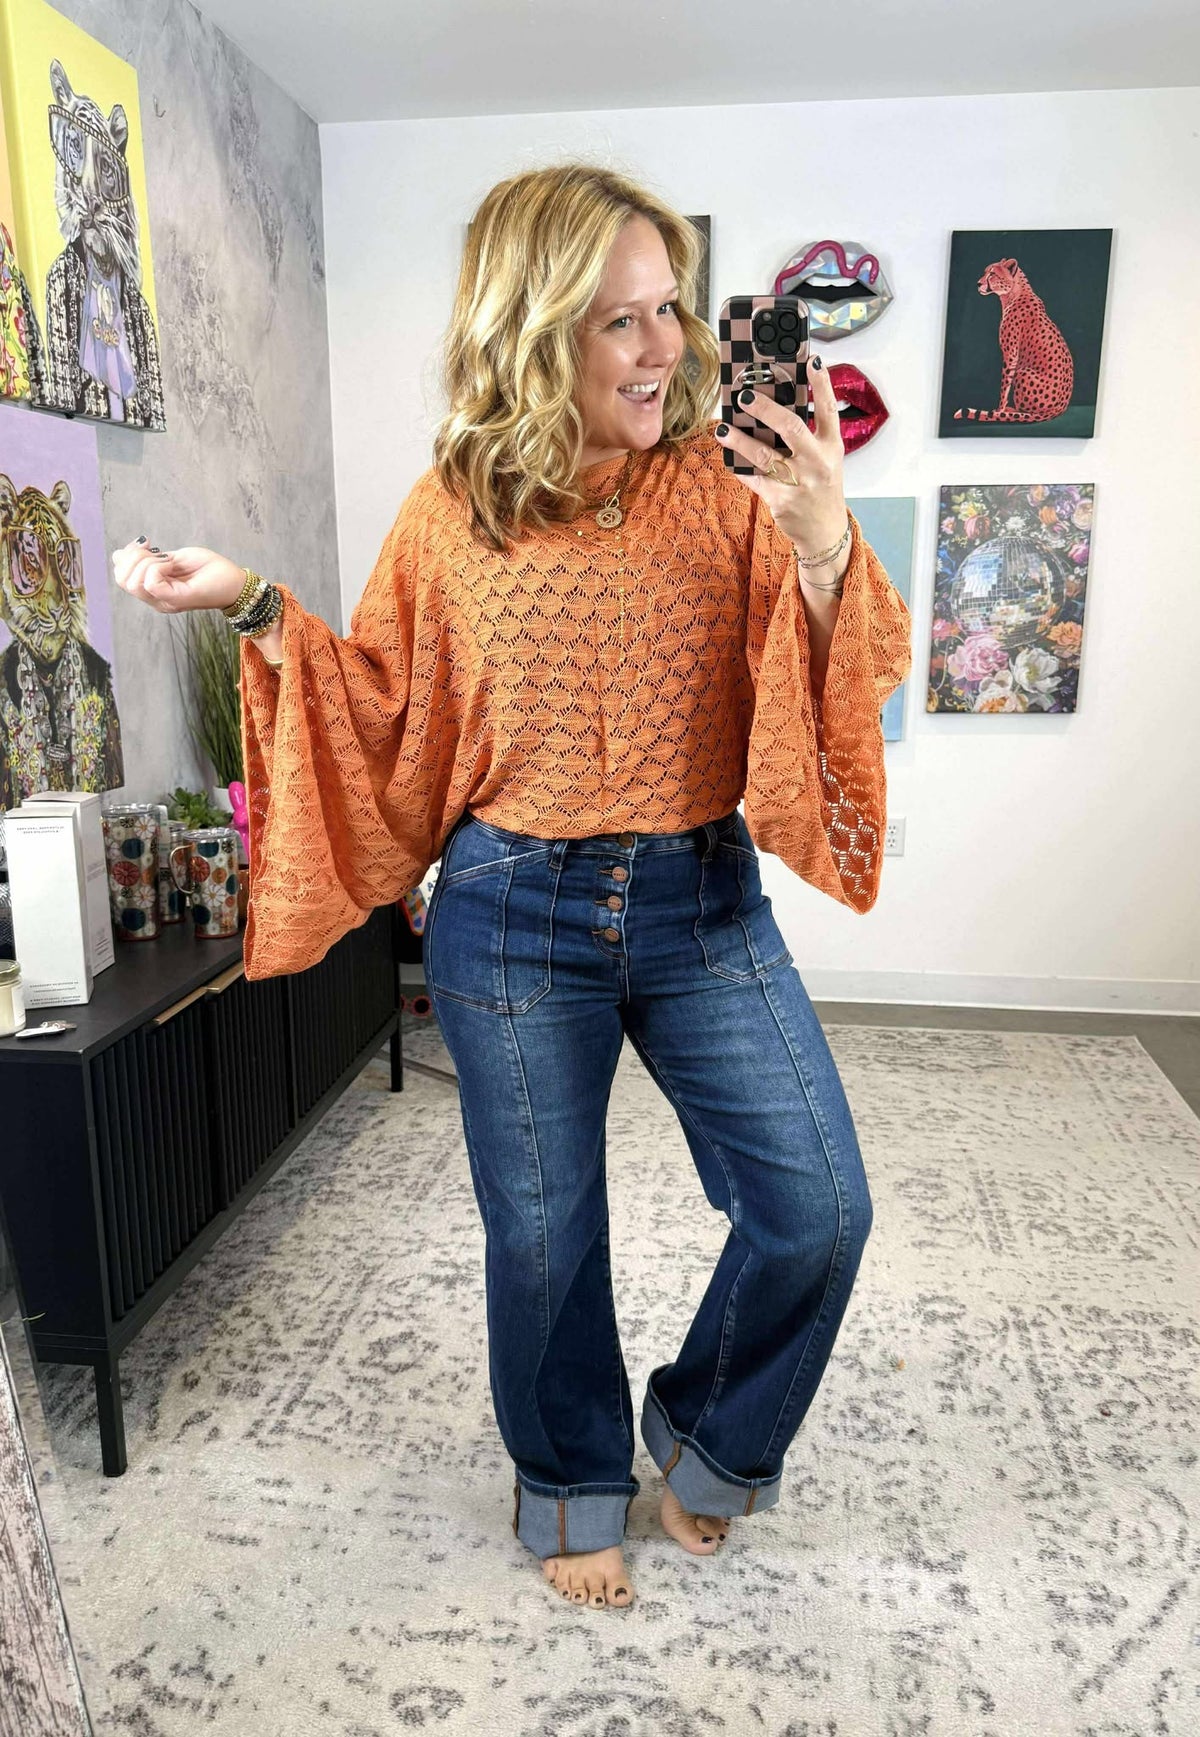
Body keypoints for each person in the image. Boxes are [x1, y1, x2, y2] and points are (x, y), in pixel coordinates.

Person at [111, 163, 912, 1613]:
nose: (665, 348)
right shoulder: (450, 514)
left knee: (820, 1201)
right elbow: (381, 701)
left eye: (672, 309)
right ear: (536, 329)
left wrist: (819, 538)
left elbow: (845, 669)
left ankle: (713, 1440)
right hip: (512, 912)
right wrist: (250, 599)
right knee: (544, 1233)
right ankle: (572, 1480)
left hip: (701, 899)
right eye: (622, 320)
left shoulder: (728, 489)